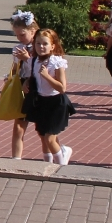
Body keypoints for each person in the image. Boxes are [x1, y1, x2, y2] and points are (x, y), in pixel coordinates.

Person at [21, 29, 72, 165]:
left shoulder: (57, 62)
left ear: (52, 46)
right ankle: (47, 165)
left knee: (50, 138)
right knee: (43, 137)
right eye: (38, 43)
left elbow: (62, 88)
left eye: (45, 44)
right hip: (41, 102)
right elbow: (33, 76)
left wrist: (47, 76)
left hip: (56, 103)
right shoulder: (34, 61)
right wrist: (26, 82)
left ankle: (61, 166)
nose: (41, 47)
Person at [9, 10, 39, 159]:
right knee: (19, 126)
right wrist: (11, 77)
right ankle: (16, 159)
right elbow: (16, 68)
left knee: (44, 129)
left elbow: (42, 68)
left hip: (39, 86)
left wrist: (27, 58)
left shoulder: (40, 47)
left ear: (32, 31)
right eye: (17, 35)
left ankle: (58, 153)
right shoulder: (18, 48)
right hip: (23, 86)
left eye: (22, 34)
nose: (19, 38)